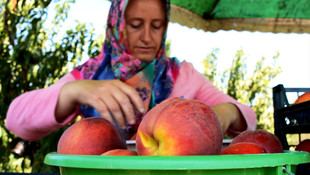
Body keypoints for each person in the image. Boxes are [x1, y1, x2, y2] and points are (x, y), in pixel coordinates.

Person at [6, 0, 256, 141]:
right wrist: (71, 91)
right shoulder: (90, 74)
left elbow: (248, 118)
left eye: (156, 26)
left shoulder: (182, 75)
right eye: (136, 25)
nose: (147, 37)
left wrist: (223, 114)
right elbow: (17, 121)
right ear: (118, 25)